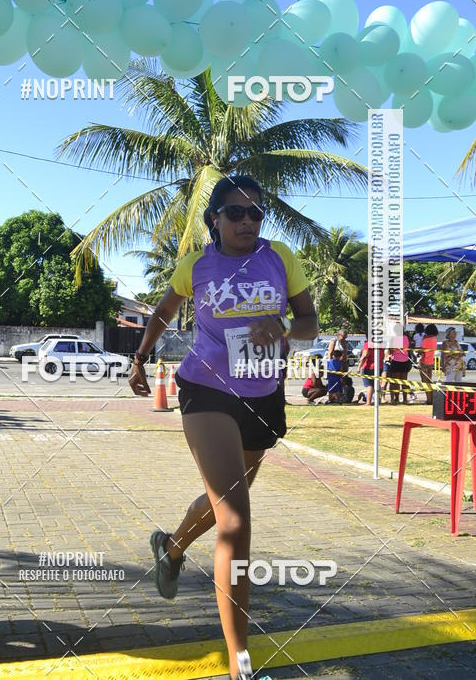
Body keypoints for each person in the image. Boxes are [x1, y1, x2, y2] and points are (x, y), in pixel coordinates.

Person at [128, 175, 317, 680]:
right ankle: (241, 665)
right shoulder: (197, 265)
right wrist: (140, 359)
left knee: (223, 505)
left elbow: (309, 323)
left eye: (257, 213)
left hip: (263, 396)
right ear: (214, 218)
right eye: (237, 213)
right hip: (205, 390)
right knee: (235, 518)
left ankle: (170, 547)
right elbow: (164, 312)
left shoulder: (280, 259)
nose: (248, 222)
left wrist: (284, 328)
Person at [385, 327, 412, 405]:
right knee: (404, 381)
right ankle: (405, 399)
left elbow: (390, 350)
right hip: (405, 361)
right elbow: (407, 348)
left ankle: (396, 398)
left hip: (396, 361)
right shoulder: (406, 338)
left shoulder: (393, 338)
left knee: (395, 382)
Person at [326, 330, 348, 403]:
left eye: (345, 337)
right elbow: (330, 353)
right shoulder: (334, 341)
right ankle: (332, 398)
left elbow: (345, 354)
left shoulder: (345, 342)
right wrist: (330, 364)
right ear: (338, 336)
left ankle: (342, 397)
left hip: (343, 363)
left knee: (343, 381)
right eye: (343, 337)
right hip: (334, 364)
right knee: (333, 382)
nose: (344, 339)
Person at [419, 324, 438, 405]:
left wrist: (419, 360)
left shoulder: (426, 339)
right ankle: (431, 399)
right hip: (431, 363)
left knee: (425, 383)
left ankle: (429, 400)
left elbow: (422, 351)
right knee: (429, 382)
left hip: (424, 362)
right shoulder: (435, 339)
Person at [357, 339, 376, 405]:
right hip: (379, 366)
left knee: (369, 385)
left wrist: (359, 366)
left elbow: (365, 355)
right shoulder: (380, 344)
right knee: (375, 385)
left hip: (369, 367)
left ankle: (368, 403)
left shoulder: (367, 344)